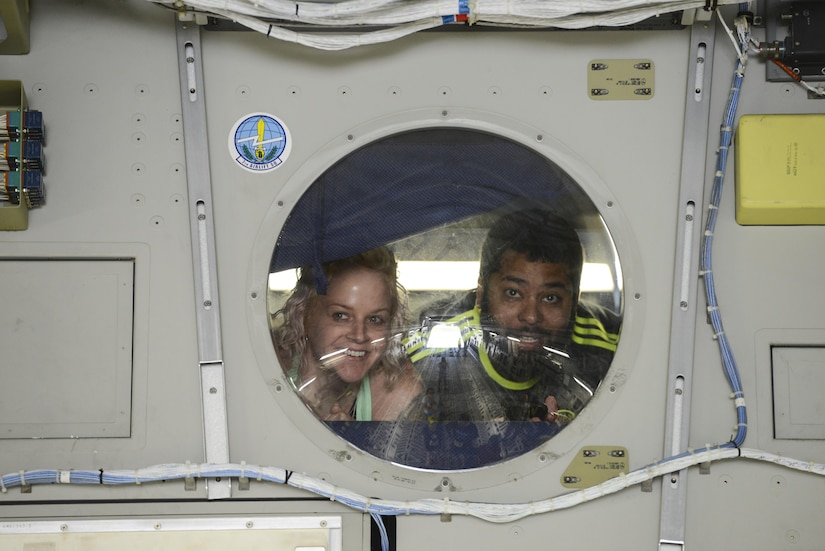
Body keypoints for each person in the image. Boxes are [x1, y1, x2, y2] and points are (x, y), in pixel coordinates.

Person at [404, 208, 621, 424]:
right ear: (480, 295)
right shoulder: (428, 346)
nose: (531, 317)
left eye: (551, 298)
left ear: (575, 302)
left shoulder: (614, 347)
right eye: (513, 293)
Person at [272, 247, 421, 421]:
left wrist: (357, 442)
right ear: (304, 315)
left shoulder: (395, 391)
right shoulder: (270, 374)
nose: (359, 335)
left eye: (375, 319)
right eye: (341, 316)